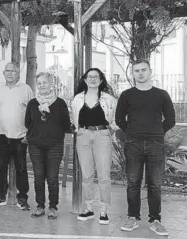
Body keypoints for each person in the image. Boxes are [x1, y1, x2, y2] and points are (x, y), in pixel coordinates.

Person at [116, 59, 175, 236]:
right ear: (132, 74)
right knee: (133, 182)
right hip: (133, 143)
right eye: (136, 71)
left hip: (155, 143)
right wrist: (132, 132)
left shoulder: (162, 94)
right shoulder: (126, 95)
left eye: (143, 70)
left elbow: (170, 120)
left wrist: (156, 132)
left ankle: (155, 220)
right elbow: (119, 119)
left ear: (150, 72)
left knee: (155, 184)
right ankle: (132, 217)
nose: (140, 73)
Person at [72, 68, 118, 225]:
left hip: (102, 136)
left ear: (101, 80)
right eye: (89, 77)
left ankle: (104, 210)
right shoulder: (77, 99)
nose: (92, 79)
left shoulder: (109, 99)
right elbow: (74, 120)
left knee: (104, 175)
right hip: (83, 136)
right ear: (85, 80)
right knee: (87, 175)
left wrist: (108, 132)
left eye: (95, 77)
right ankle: (89, 208)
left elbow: (115, 121)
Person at [24, 72, 71, 220]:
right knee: (38, 176)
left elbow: (65, 124)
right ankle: (39, 206)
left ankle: (53, 207)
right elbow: (27, 122)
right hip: (35, 145)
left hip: (55, 145)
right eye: (39, 83)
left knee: (52, 177)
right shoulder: (32, 103)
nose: (42, 85)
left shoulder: (60, 103)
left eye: (45, 82)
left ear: (51, 84)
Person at [0, 62, 33, 210]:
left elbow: (31, 113)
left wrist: (29, 134)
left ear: (18, 73)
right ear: (3, 73)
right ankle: (0, 196)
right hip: (1, 134)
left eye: (12, 71)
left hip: (20, 135)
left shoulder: (26, 89)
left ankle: (22, 198)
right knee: (0, 167)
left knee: (21, 168)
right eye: (6, 71)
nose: (9, 73)